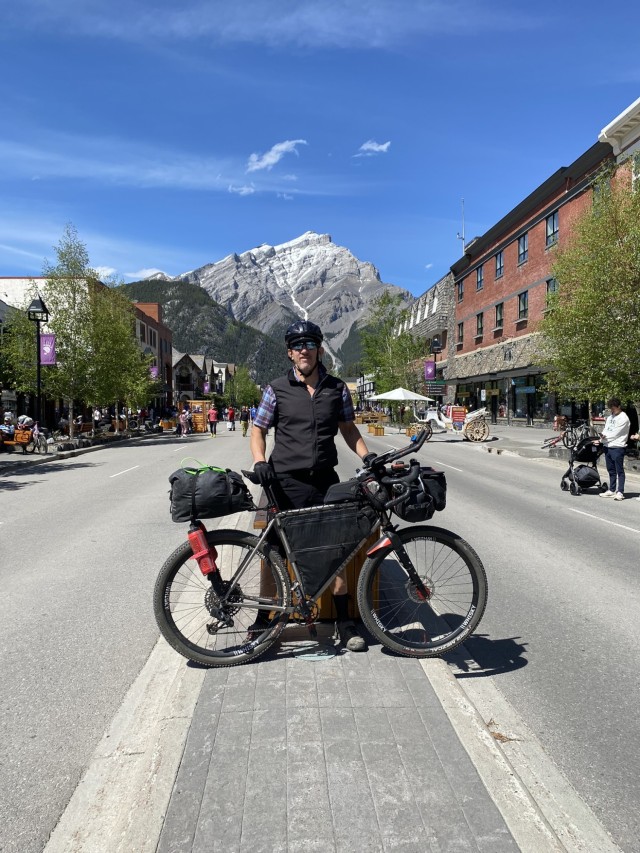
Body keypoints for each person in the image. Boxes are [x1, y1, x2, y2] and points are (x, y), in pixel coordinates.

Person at [250, 319, 375, 652]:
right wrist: (260, 461)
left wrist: (368, 457)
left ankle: (344, 622)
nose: (303, 350)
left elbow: (348, 428)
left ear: (319, 350)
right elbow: (258, 429)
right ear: (290, 353)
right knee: (273, 552)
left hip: (323, 480)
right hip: (283, 481)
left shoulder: (336, 388)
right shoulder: (276, 388)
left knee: (334, 550)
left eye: (309, 344)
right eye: (297, 345)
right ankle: (263, 619)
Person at [596, 397, 630, 500]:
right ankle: (611, 490)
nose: (612, 410)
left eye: (614, 408)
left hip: (618, 447)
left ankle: (620, 492)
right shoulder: (610, 417)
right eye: (611, 408)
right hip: (607, 446)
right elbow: (606, 430)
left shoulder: (624, 418)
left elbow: (615, 433)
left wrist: (601, 440)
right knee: (611, 470)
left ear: (619, 407)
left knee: (619, 470)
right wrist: (601, 438)